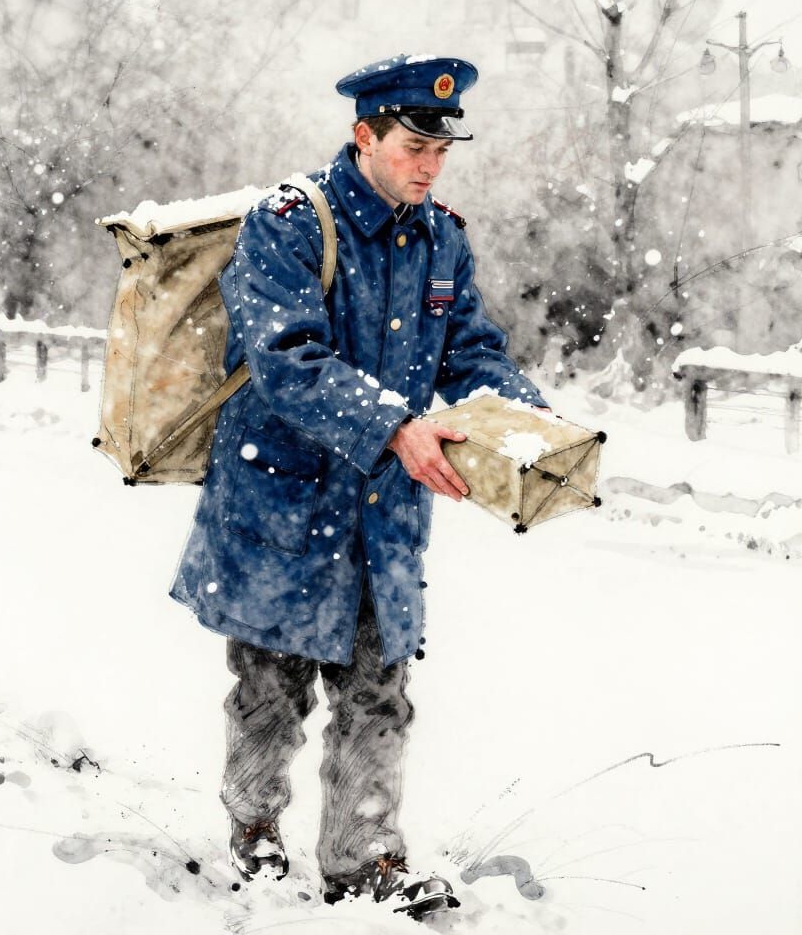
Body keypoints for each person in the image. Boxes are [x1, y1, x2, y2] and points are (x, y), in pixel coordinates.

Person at [169, 53, 549, 918]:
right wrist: (393, 426)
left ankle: (364, 860)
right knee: (272, 684)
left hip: (384, 508)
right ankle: (255, 829)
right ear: (364, 135)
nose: (430, 164)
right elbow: (285, 358)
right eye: (414, 145)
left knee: (380, 691)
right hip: (283, 500)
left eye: (441, 151)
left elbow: (471, 351)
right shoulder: (290, 221)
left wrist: (533, 425)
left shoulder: (441, 238)